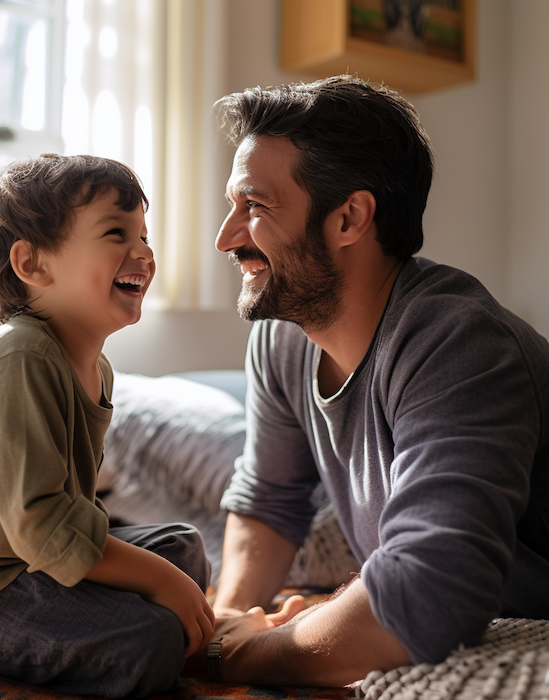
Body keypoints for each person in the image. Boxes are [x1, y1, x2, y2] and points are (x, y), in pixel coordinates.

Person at [192, 75, 549, 687]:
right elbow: (270, 503)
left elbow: (425, 596)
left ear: (350, 217)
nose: (227, 237)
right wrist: (227, 622)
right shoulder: (281, 339)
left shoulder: (460, 344)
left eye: (254, 206)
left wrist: (246, 654)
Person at [0, 153, 215, 698]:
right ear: (34, 264)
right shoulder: (19, 357)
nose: (143, 252)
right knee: (155, 635)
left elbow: (71, 509)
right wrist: (160, 584)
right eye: (117, 232)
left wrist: (165, 574)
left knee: (183, 548)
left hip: (27, 563)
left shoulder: (93, 367)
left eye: (144, 233)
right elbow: (43, 524)